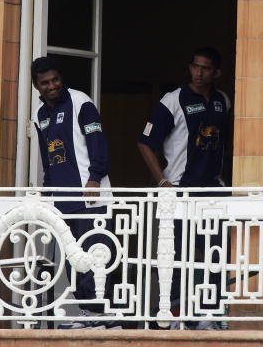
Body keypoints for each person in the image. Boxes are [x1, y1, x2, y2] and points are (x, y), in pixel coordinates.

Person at [137, 46, 231, 330]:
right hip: (180, 189)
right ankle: (175, 313)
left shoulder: (223, 101)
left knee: (213, 253)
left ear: (216, 72)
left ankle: (209, 314)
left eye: (205, 68)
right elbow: (145, 142)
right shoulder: (173, 100)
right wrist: (163, 182)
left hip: (213, 190)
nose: (199, 73)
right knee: (178, 253)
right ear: (189, 68)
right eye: (195, 67)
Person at [31, 56, 116, 329]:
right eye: (45, 82)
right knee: (73, 259)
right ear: (36, 86)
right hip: (62, 200)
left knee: (96, 253)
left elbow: (98, 143)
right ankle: (86, 312)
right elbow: (48, 158)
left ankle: (101, 313)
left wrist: (94, 178)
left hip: (91, 197)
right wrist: (47, 193)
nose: (52, 86)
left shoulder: (81, 101)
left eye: (55, 80)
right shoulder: (39, 115)